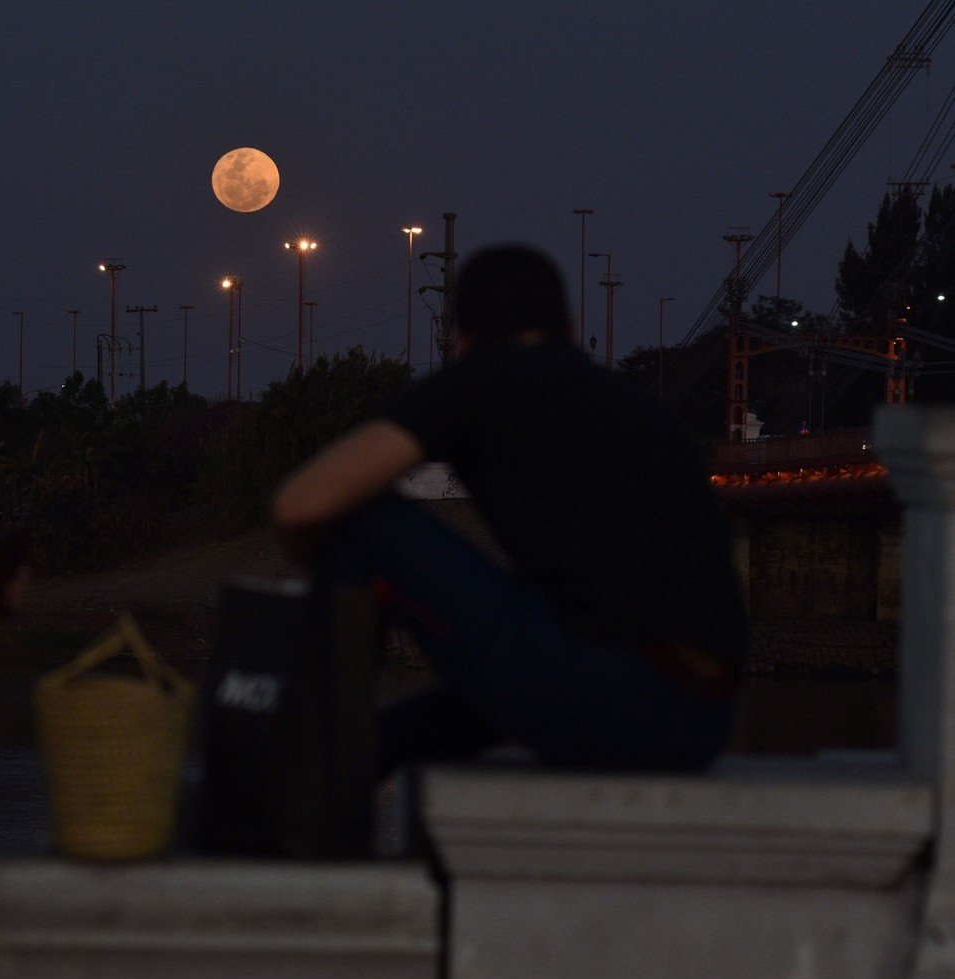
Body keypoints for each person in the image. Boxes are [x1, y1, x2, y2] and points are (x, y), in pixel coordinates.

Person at [271, 245, 745, 772]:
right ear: (568, 328)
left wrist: (324, 565)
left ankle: (316, 755)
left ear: (464, 336)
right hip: (703, 722)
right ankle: (362, 754)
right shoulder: (626, 402)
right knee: (413, 727)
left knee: (358, 516)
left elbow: (300, 504)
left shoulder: (480, 379)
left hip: (611, 698)